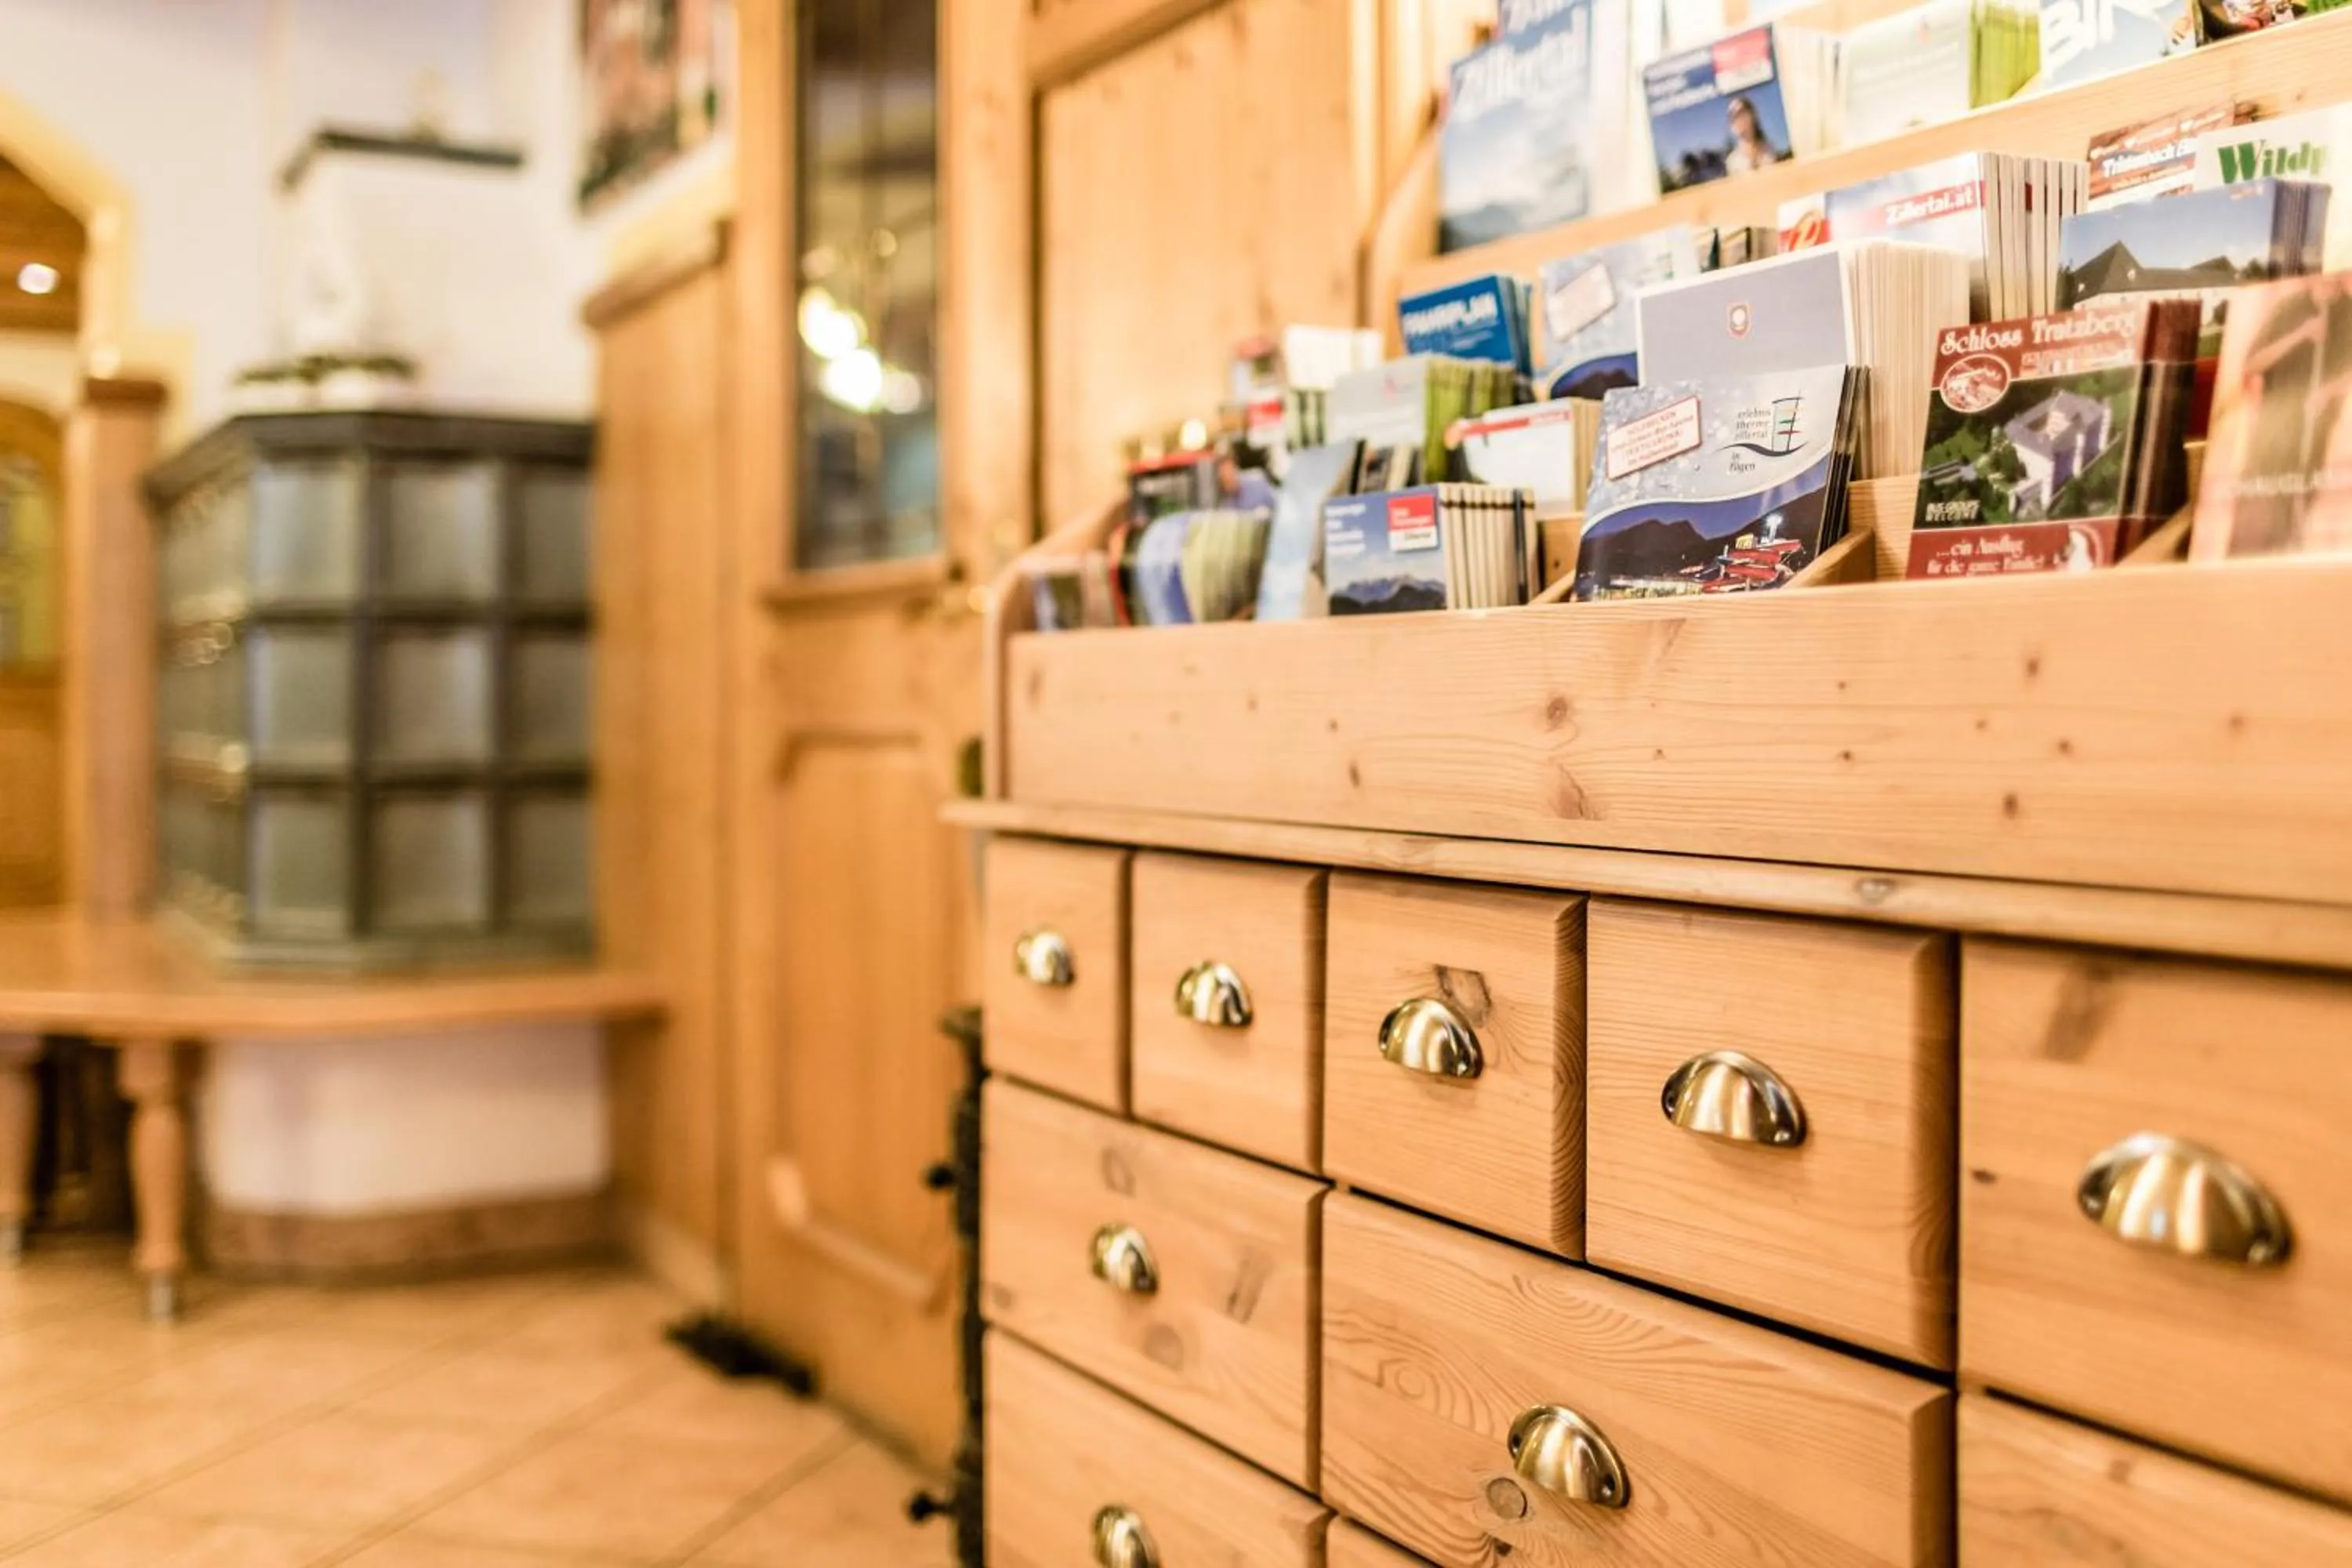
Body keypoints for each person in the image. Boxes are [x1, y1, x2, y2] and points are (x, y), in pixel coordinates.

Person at [1723, 94, 1788, 174]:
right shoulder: (1732, 162)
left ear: (1753, 116)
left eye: (1740, 112)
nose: (1735, 118)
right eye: (1731, 116)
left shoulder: (1770, 150)